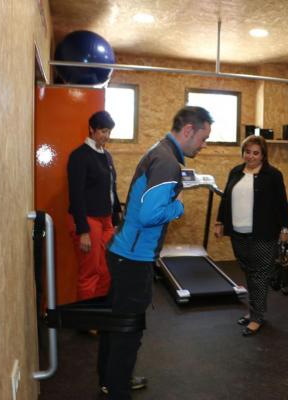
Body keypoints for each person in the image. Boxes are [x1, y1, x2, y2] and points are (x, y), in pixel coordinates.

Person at [97, 106, 213, 399]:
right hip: (133, 258)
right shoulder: (168, 162)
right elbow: (151, 214)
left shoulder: (161, 151)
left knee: (117, 322)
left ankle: (110, 380)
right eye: (203, 138)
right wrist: (179, 206)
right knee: (129, 328)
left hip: (124, 251)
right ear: (188, 130)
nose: (204, 144)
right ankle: (118, 389)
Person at [214, 135, 288, 336]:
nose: (251, 156)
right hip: (238, 233)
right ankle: (253, 311)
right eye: (247, 152)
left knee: (259, 276)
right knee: (248, 273)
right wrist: (219, 222)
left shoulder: (273, 175)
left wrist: (285, 228)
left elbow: (281, 203)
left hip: (263, 234)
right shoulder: (236, 172)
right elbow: (225, 199)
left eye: (256, 153)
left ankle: (257, 317)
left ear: (263, 155)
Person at [67, 110, 122, 301]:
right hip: (87, 220)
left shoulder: (106, 156)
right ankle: (87, 320)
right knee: (89, 272)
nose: (106, 136)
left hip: (105, 219)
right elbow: (76, 195)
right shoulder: (79, 156)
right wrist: (83, 231)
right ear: (92, 129)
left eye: (109, 132)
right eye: (103, 131)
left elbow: (111, 189)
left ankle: (99, 312)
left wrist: (115, 218)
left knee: (106, 269)